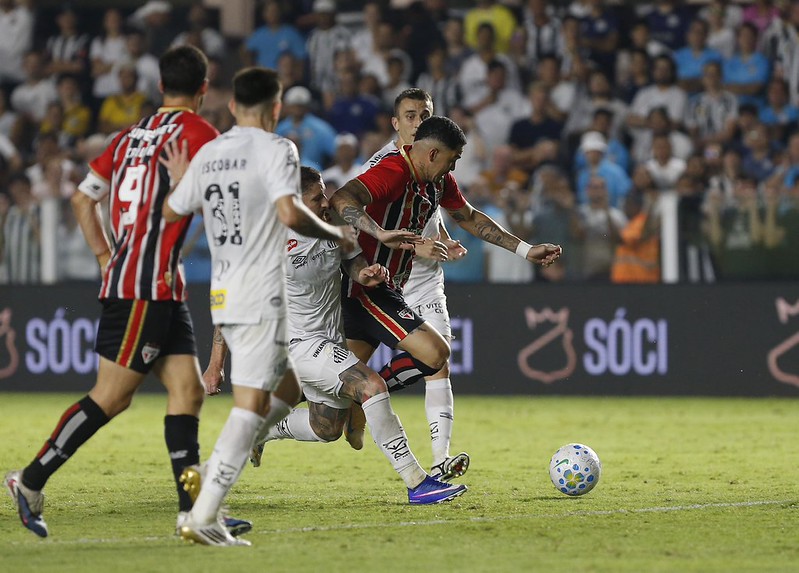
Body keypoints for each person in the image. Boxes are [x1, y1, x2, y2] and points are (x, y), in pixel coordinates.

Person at [3, 46, 252, 539]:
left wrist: (103, 256)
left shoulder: (127, 137)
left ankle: (194, 515)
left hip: (151, 282)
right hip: (145, 287)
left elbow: (81, 197)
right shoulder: (200, 134)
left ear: (160, 87)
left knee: (187, 392)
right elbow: (220, 209)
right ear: (204, 89)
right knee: (111, 398)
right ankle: (29, 481)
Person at [162, 67, 365, 547]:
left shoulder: (210, 153)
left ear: (232, 106)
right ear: (276, 110)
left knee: (278, 396)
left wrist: (180, 178)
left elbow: (173, 209)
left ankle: (210, 479)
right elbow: (290, 213)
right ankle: (203, 510)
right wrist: (336, 232)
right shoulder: (278, 149)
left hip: (224, 293)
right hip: (261, 293)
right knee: (255, 406)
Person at [329, 116, 561, 477]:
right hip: (362, 289)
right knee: (436, 353)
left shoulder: (437, 182)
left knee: (326, 416)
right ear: (433, 152)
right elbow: (341, 198)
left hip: (386, 288)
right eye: (451, 159)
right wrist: (380, 232)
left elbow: (468, 216)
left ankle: (266, 425)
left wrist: (525, 250)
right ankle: (411, 461)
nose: (453, 167)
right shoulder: (393, 170)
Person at [249, 165, 468, 509]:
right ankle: (417, 482)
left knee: (327, 428)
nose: (326, 201)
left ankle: (261, 430)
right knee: (371, 386)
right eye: (317, 197)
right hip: (294, 345)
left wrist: (366, 273)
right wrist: (219, 360)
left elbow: (352, 263)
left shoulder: (335, 227)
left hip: (330, 339)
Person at [351, 89, 470, 480]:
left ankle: (439, 460)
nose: (418, 121)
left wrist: (442, 238)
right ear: (396, 123)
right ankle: (275, 421)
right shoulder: (385, 166)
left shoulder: (435, 171)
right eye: (410, 115)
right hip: (379, 278)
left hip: (419, 279)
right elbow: (352, 210)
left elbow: (443, 212)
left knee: (438, 358)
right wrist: (415, 244)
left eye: (425, 114)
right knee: (328, 412)